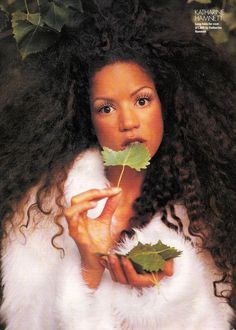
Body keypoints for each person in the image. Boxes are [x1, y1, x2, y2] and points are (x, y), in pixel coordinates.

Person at [0, 1, 235, 329]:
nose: (128, 122)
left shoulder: (201, 214)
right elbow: (24, 322)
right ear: (88, 119)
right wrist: (87, 271)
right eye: (105, 108)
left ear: (165, 103)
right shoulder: (45, 209)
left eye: (142, 100)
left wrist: (165, 291)